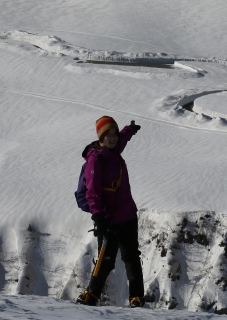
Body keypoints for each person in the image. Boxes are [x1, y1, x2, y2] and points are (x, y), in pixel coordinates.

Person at [76, 115, 145, 308]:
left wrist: (129, 130)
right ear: (101, 136)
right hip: (109, 219)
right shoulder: (95, 160)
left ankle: (137, 298)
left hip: (128, 215)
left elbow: (121, 139)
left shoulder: (113, 150)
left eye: (114, 133)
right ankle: (92, 294)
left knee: (131, 257)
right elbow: (92, 192)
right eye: (109, 134)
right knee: (106, 259)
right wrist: (98, 216)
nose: (113, 138)